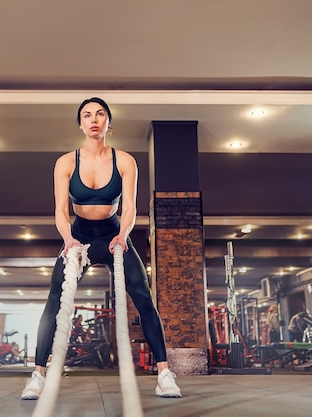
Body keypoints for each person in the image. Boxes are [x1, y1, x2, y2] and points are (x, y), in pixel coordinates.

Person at [21, 97, 181, 400]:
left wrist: (123, 234)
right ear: (80, 124)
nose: (93, 119)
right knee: (55, 300)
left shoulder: (125, 160)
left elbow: (131, 206)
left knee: (143, 296)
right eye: (87, 115)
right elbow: (60, 209)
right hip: (78, 235)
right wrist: (68, 240)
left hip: (113, 235)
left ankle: (164, 374)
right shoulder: (66, 162)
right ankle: (38, 375)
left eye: (100, 114)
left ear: (108, 122)